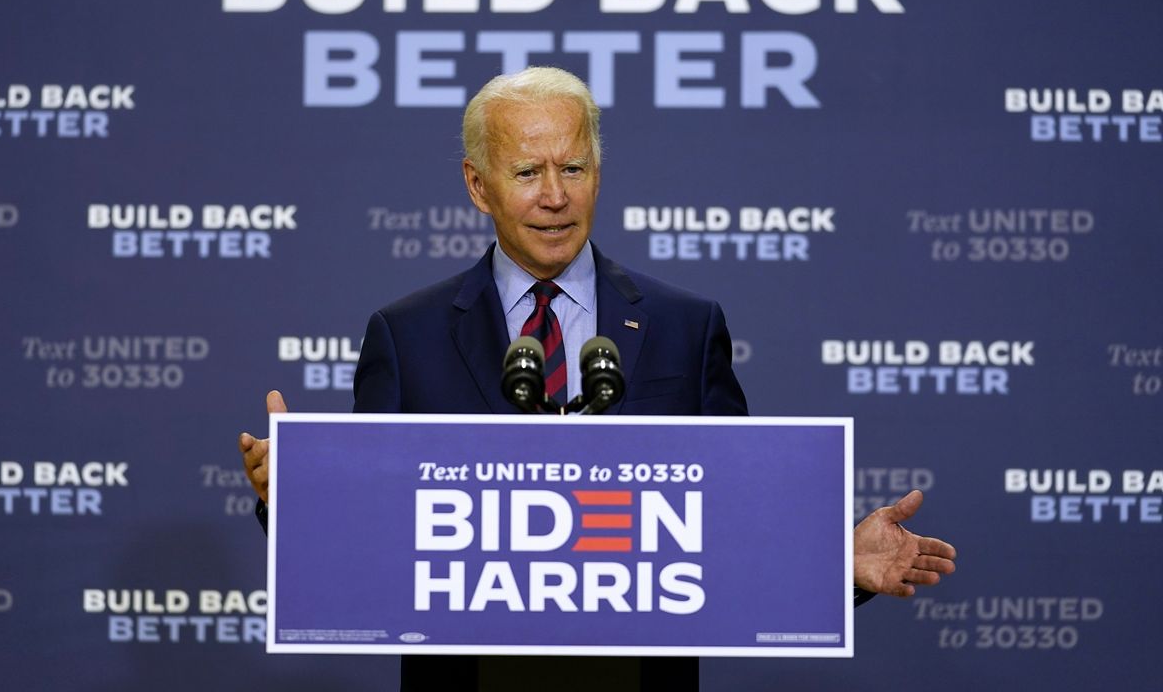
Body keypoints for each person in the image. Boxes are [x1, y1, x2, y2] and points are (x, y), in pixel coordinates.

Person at [238, 67, 957, 691]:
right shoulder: (408, 334)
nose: (555, 196)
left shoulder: (685, 326)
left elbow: (732, 531)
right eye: (527, 173)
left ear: (598, 174)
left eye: (573, 168)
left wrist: (838, 565)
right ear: (477, 184)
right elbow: (373, 544)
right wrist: (298, 504)